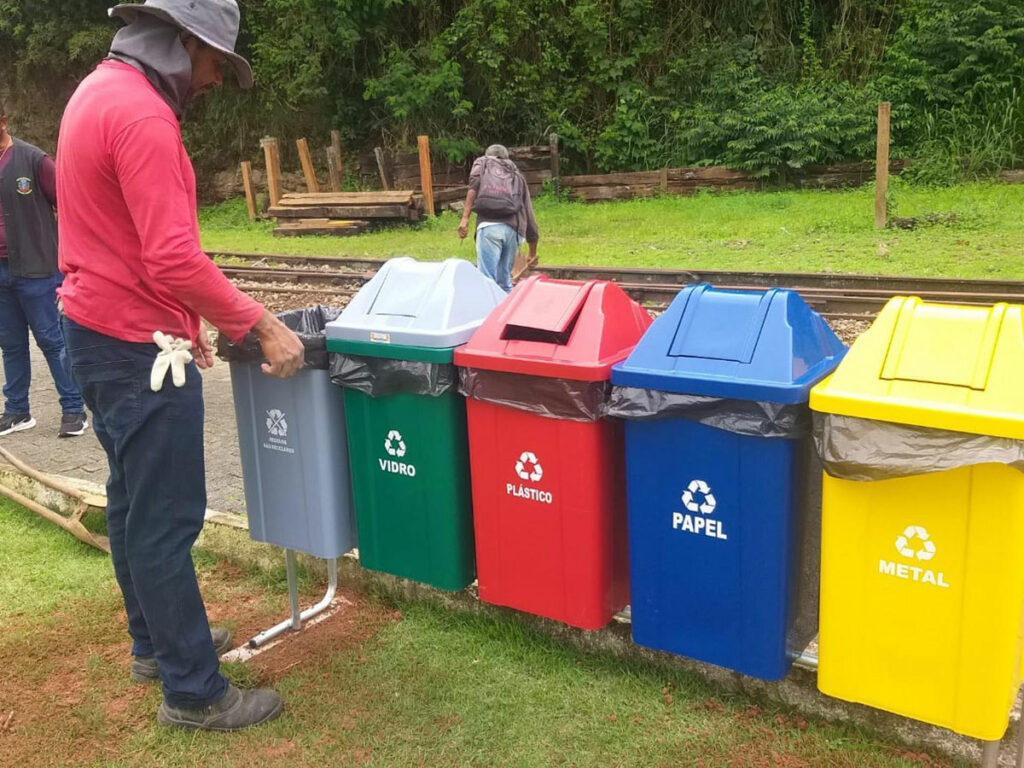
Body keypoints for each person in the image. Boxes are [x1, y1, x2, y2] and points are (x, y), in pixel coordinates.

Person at [56, 0, 305, 732]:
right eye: (217, 66)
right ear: (183, 45)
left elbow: (124, 243)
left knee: (132, 503)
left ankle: (153, 646)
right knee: (166, 519)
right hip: (134, 348)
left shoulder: (97, 91)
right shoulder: (143, 119)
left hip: (98, 331)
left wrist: (185, 322)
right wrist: (258, 325)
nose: (215, 82)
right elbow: (171, 253)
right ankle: (193, 690)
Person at [0, 102, 87, 437]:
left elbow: (69, 204)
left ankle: (74, 409)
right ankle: (18, 411)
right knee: (11, 344)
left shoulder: (34, 160)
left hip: (37, 269)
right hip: (2, 273)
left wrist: (70, 257)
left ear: (4, 122)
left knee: (53, 341)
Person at [457, 144, 539, 292]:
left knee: (487, 281)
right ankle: (507, 314)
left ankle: (489, 314)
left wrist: (465, 219)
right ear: (506, 158)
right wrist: (532, 250)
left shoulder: (483, 164)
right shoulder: (516, 174)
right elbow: (528, 212)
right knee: (505, 280)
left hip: (489, 228)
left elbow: (472, 188)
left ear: (488, 155)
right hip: (513, 231)